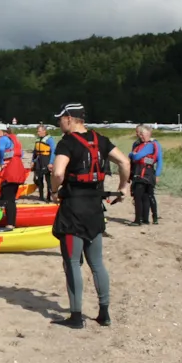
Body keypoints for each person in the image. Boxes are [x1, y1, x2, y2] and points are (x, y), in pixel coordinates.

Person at [49, 103, 130, 329]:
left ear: (69, 118)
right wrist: (123, 187)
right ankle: (104, 314)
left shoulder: (66, 143)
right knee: (97, 263)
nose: (58, 123)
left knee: (72, 263)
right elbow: (124, 162)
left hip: (73, 211)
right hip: (95, 210)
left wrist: (54, 191)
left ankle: (76, 317)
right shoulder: (101, 140)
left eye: (60, 119)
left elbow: (58, 172)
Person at [128, 125, 162, 225]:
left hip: (143, 174)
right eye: (140, 134)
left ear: (148, 134)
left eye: (141, 134)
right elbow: (159, 160)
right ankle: (146, 219)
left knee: (139, 196)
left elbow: (137, 156)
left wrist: (131, 154)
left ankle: (138, 220)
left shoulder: (149, 145)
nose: (140, 136)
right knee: (146, 196)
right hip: (149, 173)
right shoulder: (152, 144)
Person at [0, 125, 27, 229]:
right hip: (18, 169)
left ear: (0, 132)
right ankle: (11, 222)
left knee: (8, 199)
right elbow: (21, 153)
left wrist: (1, 162)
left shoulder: (3, 139)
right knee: (12, 199)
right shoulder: (15, 139)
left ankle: (10, 224)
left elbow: (1, 149)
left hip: (10, 171)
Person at [31, 124, 57, 201]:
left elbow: (53, 151)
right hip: (38, 160)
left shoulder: (49, 139)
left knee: (48, 180)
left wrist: (51, 162)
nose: (38, 133)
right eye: (37, 131)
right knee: (39, 179)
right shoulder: (38, 139)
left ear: (44, 131)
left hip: (46, 160)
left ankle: (49, 197)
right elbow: (35, 152)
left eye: (39, 131)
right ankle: (41, 196)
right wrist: (32, 161)